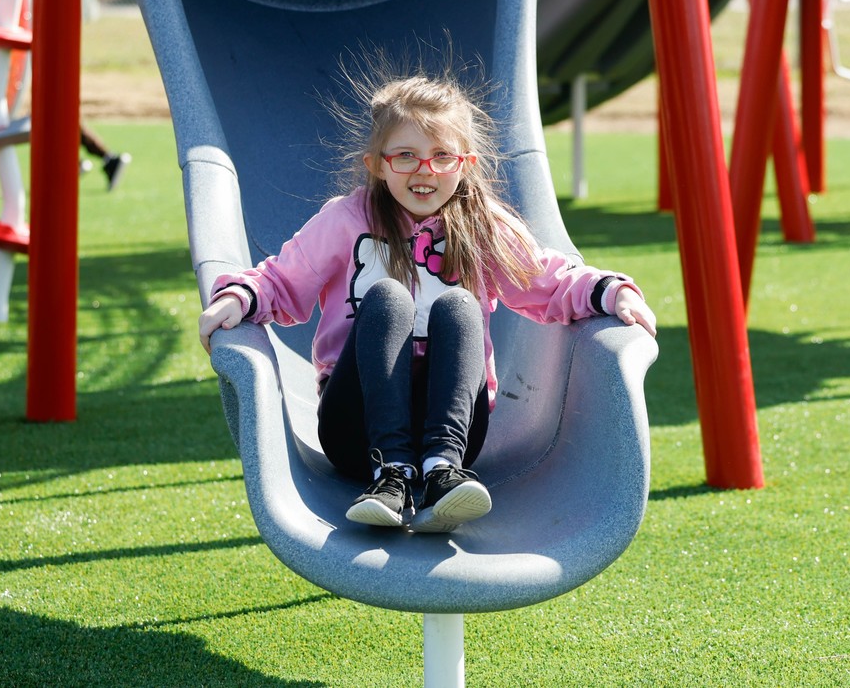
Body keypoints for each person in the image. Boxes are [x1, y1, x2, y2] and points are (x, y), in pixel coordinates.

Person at [197, 72, 656, 534]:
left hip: (454, 434)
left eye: (442, 156)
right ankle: (390, 474)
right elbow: (282, 279)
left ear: (465, 163)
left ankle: (442, 474)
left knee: (459, 306)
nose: (424, 170)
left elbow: (547, 281)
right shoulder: (347, 219)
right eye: (405, 156)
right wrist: (239, 296)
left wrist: (611, 290)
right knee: (388, 298)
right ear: (377, 164)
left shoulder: (481, 226)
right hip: (357, 430)